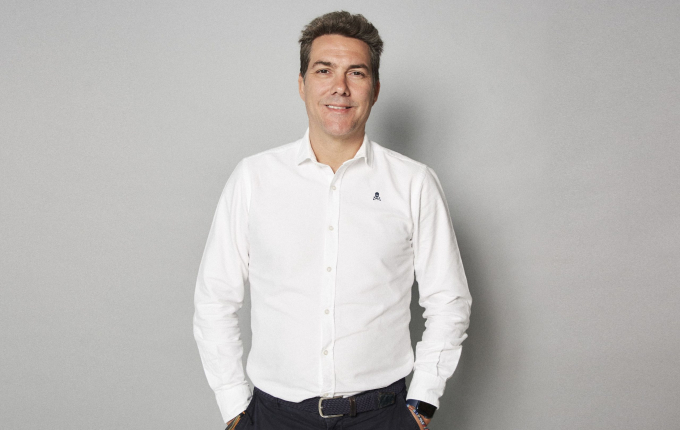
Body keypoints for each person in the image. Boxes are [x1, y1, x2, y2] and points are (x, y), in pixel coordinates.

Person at [193, 11, 471, 430]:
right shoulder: (253, 178)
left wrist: (422, 403)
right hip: (274, 417)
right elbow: (214, 298)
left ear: (375, 89)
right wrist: (234, 406)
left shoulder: (414, 183)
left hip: (383, 416)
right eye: (324, 70)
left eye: (356, 73)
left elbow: (449, 299)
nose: (340, 86)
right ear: (302, 84)